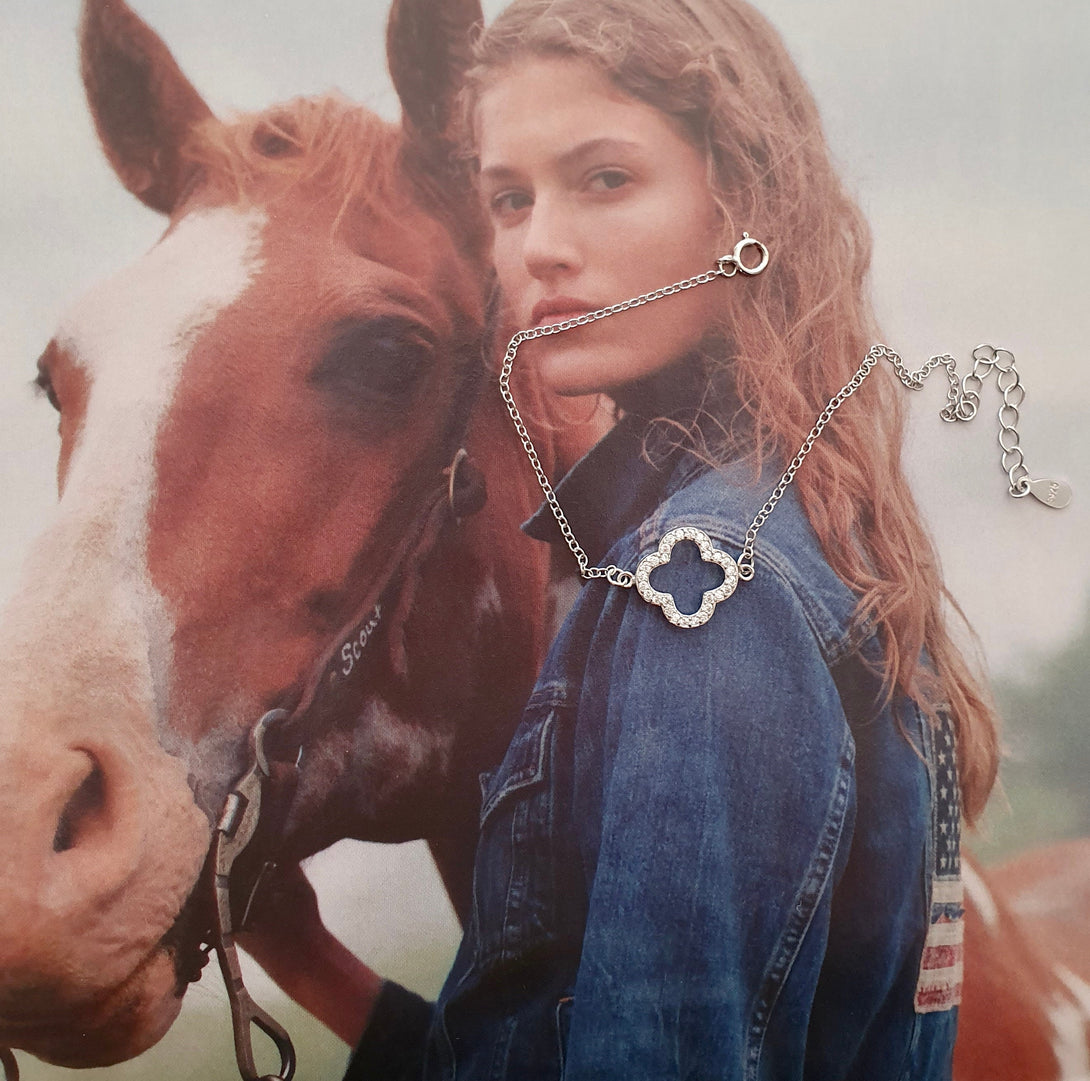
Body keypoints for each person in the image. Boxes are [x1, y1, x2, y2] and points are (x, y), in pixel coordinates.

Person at [344, 0, 1000, 1077]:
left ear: (741, 198)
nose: (537, 248)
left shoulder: (704, 592)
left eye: (604, 179)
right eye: (508, 199)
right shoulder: (806, 531)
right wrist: (317, 966)